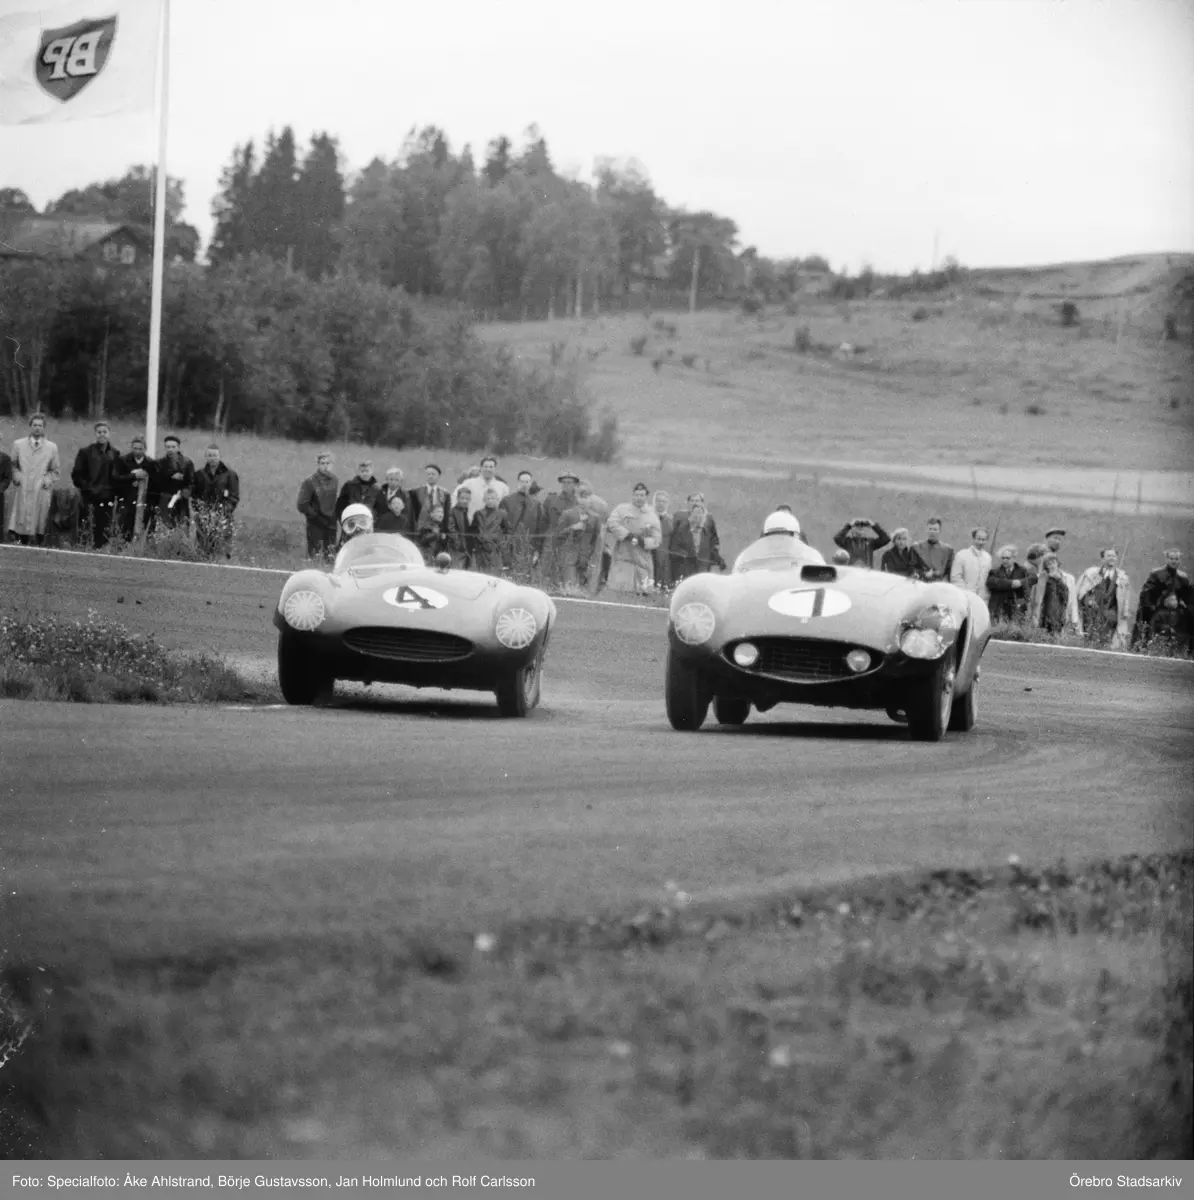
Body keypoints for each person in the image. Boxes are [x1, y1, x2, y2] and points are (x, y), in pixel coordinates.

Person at [6, 413, 60, 546]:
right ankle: (20, 540)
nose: (37, 428)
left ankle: (38, 542)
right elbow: (12, 465)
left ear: (44, 427)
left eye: (40, 425)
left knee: (39, 518)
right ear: (30, 426)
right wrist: (17, 476)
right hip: (23, 485)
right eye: (35, 425)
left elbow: (55, 470)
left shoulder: (51, 447)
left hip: (40, 487)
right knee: (21, 516)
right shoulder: (18, 444)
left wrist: (47, 480)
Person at [70, 420, 121, 546]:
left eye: (104, 432)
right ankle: (84, 547)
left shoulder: (115, 453)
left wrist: (113, 492)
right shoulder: (85, 452)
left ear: (109, 433)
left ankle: (101, 548)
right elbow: (77, 474)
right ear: (95, 434)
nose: (102, 434)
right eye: (99, 432)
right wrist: (87, 488)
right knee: (86, 524)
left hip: (107, 496)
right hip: (89, 495)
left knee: (104, 526)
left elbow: (116, 476)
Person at [606, 482, 662, 594]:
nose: (639, 498)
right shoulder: (622, 509)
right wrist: (627, 534)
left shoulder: (651, 515)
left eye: (642, 495)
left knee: (643, 589)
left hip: (642, 556)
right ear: (632, 496)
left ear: (646, 497)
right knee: (620, 587)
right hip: (624, 552)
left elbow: (657, 539)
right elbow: (611, 523)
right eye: (637, 495)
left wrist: (644, 542)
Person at [1133, 549, 1192, 653]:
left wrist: (1183, 609)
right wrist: (1151, 607)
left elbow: (1186, 597)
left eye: (1176, 559)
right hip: (1155, 611)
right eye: (1171, 558)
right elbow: (1146, 593)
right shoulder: (1156, 574)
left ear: (1180, 560)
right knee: (1147, 635)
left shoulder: (1183, 578)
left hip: (1174, 614)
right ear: (1167, 559)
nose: (1174, 561)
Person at [732, 510, 826, 572]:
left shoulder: (811, 558)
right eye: (773, 537)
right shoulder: (746, 560)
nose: (779, 542)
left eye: (784, 537)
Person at [1076, 548, 1131, 650]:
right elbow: (1082, 592)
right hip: (1092, 614)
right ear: (1103, 559)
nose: (1112, 558)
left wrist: (1122, 613)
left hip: (1110, 616)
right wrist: (1089, 601)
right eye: (1108, 556)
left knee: (1106, 641)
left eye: (1114, 556)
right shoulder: (1092, 574)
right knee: (1088, 639)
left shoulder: (1122, 577)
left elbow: (1125, 599)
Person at [191, 444, 240, 558]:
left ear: (219, 456)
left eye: (215, 455)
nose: (212, 458)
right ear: (206, 457)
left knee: (222, 547)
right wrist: (200, 509)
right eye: (210, 455)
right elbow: (194, 496)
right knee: (203, 546)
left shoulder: (230, 474)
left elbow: (234, 497)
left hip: (223, 516)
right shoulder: (199, 474)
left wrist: (222, 511)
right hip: (204, 515)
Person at [668, 492, 725, 584]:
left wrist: (718, 560)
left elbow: (713, 544)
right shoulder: (681, 527)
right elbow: (674, 547)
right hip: (685, 568)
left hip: (702, 569)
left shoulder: (707, 528)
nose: (698, 517)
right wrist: (684, 555)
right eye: (692, 501)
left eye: (700, 514)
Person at [541, 470, 582, 587]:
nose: (566, 485)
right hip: (552, 539)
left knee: (568, 572)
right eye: (564, 482)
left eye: (569, 482)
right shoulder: (551, 499)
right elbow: (543, 520)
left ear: (575, 485)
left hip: (571, 541)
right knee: (548, 569)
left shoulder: (580, 502)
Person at [112, 433, 156, 541]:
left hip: (144, 501)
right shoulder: (123, 461)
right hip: (126, 500)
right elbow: (115, 479)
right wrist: (133, 476)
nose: (137, 451)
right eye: (135, 448)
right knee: (125, 530)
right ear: (131, 448)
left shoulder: (151, 463)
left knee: (144, 530)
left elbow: (155, 482)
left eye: (140, 449)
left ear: (145, 449)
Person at [501, 469, 547, 572]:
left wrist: (537, 549)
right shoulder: (507, 501)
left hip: (529, 547)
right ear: (517, 482)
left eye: (527, 482)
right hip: (510, 547)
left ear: (530, 484)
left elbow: (540, 529)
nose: (524, 484)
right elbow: (501, 526)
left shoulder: (536, 504)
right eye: (522, 481)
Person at [296, 452, 339, 558]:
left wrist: (335, 516)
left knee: (330, 555)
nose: (325, 466)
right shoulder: (310, 482)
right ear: (318, 465)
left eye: (328, 463)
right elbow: (302, 504)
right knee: (315, 555)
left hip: (331, 523)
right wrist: (315, 516)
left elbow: (333, 500)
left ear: (332, 465)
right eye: (322, 463)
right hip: (315, 523)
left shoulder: (335, 480)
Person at [1029, 552, 1080, 634]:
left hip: (1063, 614)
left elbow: (1073, 600)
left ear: (1057, 563)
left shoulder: (1069, 578)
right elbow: (1036, 600)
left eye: (1053, 562)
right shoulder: (1041, 578)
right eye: (1048, 564)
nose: (1051, 566)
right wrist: (1035, 616)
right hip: (1046, 614)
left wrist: (1075, 618)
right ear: (1045, 567)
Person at [155, 434, 195, 529]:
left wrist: (186, 491)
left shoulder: (187, 462)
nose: (170, 449)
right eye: (168, 447)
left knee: (182, 525)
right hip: (165, 499)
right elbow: (156, 482)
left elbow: (192, 481)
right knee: (166, 525)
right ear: (165, 448)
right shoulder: (160, 463)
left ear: (178, 448)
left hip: (182, 500)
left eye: (173, 447)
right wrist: (170, 476)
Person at [470, 486, 511, 574]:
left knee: (495, 573)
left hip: (495, 549)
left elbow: (507, 531)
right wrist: (477, 542)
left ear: (497, 499)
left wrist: (501, 544)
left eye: (492, 498)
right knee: (482, 573)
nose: (490, 500)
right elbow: (473, 531)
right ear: (484, 500)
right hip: (481, 549)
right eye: (488, 498)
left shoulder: (502, 513)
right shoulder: (478, 514)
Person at [986, 544, 1031, 622]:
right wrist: (1011, 583)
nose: (1005, 560)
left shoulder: (1022, 571)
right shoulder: (995, 571)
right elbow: (991, 583)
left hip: (1017, 609)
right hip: (999, 609)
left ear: (1014, 558)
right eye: (1003, 558)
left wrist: (1022, 605)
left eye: (1007, 558)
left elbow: (1026, 589)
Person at [460, 455, 510, 520]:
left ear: (495, 469)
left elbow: (506, 509)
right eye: (485, 466)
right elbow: (456, 501)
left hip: (494, 524)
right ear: (481, 468)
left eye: (491, 467)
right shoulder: (468, 484)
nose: (488, 469)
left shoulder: (503, 487)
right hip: (472, 523)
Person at [950, 527, 992, 600]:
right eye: (978, 539)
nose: (981, 542)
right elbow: (955, 577)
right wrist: (966, 594)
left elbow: (988, 578)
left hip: (982, 598)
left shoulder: (988, 558)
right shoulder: (961, 555)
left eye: (983, 540)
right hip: (965, 597)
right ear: (973, 538)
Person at [335, 457, 380, 522]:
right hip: (350, 521)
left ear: (372, 472)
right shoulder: (349, 486)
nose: (364, 473)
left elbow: (379, 509)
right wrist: (343, 519)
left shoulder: (376, 490)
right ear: (358, 472)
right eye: (362, 471)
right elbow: (340, 505)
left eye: (367, 471)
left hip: (368, 522)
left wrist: (373, 520)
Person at [410, 463, 449, 530]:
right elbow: (412, 513)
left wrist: (445, 531)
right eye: (428, 474)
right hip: (420, 529)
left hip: (438, 530)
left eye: (433, 474)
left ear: (439, 476)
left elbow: (447, 514)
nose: (430, 476)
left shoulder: (445, 494)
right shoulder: (415, 492)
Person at [914, 517, 955, 582]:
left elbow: (950, 572)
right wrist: (923, 574)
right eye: (930, 529)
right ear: (926, 530)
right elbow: (913, 568)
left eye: (935, 529)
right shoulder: (917, 548)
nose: (932, 532)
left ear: (939, 531)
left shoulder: (948, 550)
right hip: (922, 583)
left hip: (940, 584)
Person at [373, 467, 411, 534]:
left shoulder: (405, 495)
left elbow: (407, 513)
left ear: (401, 481)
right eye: (391, 479)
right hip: (379, 526)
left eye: (396, 480)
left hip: (395, 528)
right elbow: (374, 508)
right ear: (386, 479)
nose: (393, 482)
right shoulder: (379, 492)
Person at [445, 487, 474, 568]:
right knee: (457, 570)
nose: (465, 501)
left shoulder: (470, 512)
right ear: (457, 498)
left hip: (469, 548)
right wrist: (459, 545)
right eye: (462, 498)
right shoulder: (452, 512)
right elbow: (451, 530)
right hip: (457, 549)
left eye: (467, 499)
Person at [651, 491, 673, 590]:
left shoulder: (671, 520)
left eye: (663, 501)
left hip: (664, 557)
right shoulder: (647, 518)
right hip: (649, 554)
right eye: (658, 501)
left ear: (667, 504)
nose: (661, 504)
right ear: (654, 502)